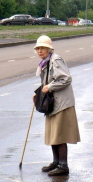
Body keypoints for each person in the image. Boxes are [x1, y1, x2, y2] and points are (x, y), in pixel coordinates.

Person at [33, 35, 80, 176]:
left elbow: (66, 79)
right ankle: (56, 162)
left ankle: (63, 165)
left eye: (42, 48)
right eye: (38, 48)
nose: (40, 51)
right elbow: (47, 81)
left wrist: (49, 87)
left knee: (60, 135)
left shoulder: (55, 60)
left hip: (62, 104)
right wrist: (38, 93)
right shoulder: (45, 62)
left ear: (49, 49)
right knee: (53, 134)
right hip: (53, 104)